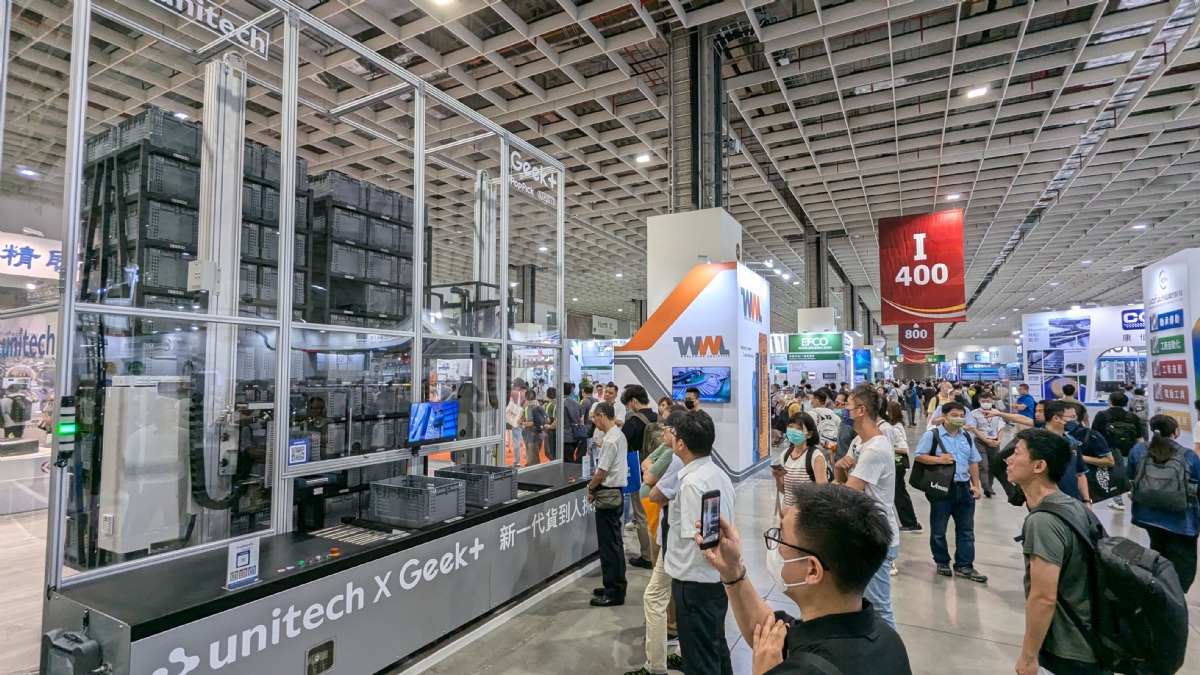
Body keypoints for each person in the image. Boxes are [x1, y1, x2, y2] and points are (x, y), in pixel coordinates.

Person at [696, 483, 913, 675]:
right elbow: (767, 632)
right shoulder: (888, 639)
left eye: (781, 538)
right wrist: (732, 571)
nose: (776, 547)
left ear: (812, 570)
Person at [1006, 427, 1109, 675]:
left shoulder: (1043, 521)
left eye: (1016, 453)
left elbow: (1043, 597)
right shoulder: (1075, 506)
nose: (1008, 460)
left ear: (1039, 466)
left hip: (1069, 651)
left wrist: (1028, 656)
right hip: (1093, 641)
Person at [665, 410, 735, 675]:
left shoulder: (693, 484)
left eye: (673, 433)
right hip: (713, 583)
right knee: (716, 650)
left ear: (681, 444)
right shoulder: (717, 473)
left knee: (700, 662)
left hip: (695, 585)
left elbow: (700, 540)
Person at [627, 409, 688, 675]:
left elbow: (653, 490)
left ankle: (655, 666)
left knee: (655, 597)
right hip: (674, 536)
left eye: (665, 428)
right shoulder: (696, 465)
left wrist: (656, 480)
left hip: (675, 540)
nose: (660, 431)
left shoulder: (676, 460)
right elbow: (647, 466)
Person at [832, 385, 899, 627]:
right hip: (863, 531)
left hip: (877, 535)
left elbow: (848, 493)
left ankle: (891, 649)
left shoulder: (875, 449)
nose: (843, 411)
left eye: (847, 406)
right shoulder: (860, 442)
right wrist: (838, 468)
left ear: (861, 410)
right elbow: (841, 477)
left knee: (879, 608)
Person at [913, 402, 987, 582]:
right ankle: (942, 561)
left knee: (966, 530)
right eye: (954, 415)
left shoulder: (967, 436)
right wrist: (939, 460)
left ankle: (964, 565)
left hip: (965, 489)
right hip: (942, 490)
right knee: (939, 529)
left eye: (961, 416)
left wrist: (975, 485)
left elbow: (973, 461)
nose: (959, 419)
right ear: (944, 417)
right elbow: (919, 455)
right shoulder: (932, 435)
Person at [1126, 414, 1200, 592]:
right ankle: (1176, 596)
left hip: (1148, 515)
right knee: (1183, 564)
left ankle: (1159, 590)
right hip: (1182, 521)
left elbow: (1130, 475)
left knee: (1158, 553)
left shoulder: (1139, 449)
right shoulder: (1188, 455)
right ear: (1176, 431)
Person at [588, 402, 628, 606]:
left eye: (595, 417)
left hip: (608, 495)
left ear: (602, 416)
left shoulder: (611, 440)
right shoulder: (617, 436)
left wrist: (591, 487)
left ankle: (614, 591)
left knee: (609, 545)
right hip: (614, 494)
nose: (594, 422)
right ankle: (614, 584)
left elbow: (602, 472)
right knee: (613, 543)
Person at [622, 384, 658, 570]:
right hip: (659, 472)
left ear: (634, 401)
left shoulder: (633, 422)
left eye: (629, 404)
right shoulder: (658, 417)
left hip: (640, 473)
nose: (629, 408)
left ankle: (647, 556)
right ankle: (659, 553)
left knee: (641, 516)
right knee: (657, 514)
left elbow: (620, 443)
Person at [772, 412, 829, 515]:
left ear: (809, 434)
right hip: (787, 514)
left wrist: (795, 513)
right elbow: (784, 491)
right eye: (790, 426)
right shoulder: (785, 455)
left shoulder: (816, 457)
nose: (793, 431)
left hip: (806, 516)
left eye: (799, 428)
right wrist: (778, 478)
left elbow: (822, 493)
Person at [1042, 401, 1092, 505]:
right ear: (1056, 418)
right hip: (1048, 503)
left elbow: (1080, 474)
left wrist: (1086, 500)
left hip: (1073, 501)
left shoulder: (1072, 441)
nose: (1075, 421)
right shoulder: (1038, 441)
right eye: (1071, 417)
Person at [886, 401, 921, 533]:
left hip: (898, 464)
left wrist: (888, 447)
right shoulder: (895, 426)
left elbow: (904, 449)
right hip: (896, 464)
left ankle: (911, 522)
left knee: (899, 493)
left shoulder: (895, 429)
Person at [967, 391, 1006, 498]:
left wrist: (999, 440)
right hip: (980, 441)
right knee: (983, 465)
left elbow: (1001, 427)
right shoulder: (974, 413)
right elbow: (974, 429)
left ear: (992, 401)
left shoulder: (997, 413)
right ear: (979, 401)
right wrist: (985, 440)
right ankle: (986, 487)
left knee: (993, 465)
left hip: (994, 441)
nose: (986, 403)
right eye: (983, 401)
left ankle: (990, 485)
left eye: (988, 401)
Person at [559, 383, 585, 463]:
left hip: (565, 437)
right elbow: (581, 419)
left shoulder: (560, 404)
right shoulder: (577, 403)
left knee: (567, 461)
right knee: (570, 457)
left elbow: (557, 421)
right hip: (575, 435)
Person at [522, 393, 547, 465]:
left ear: (526, 398)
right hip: (540, 435)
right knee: (535, 456)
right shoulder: (540, 407)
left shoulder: (529, 408)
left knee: (532, 461)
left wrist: (521, 423)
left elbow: (530, 423)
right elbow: (547, 420)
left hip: (531, 436)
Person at [505, 388, 525, 464]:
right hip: (524, 421)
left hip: (515, 421)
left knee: (516, 441)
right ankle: (524, 455)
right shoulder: (525, 394)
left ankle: (517, 461)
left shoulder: (513, 393)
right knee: (524, 441)